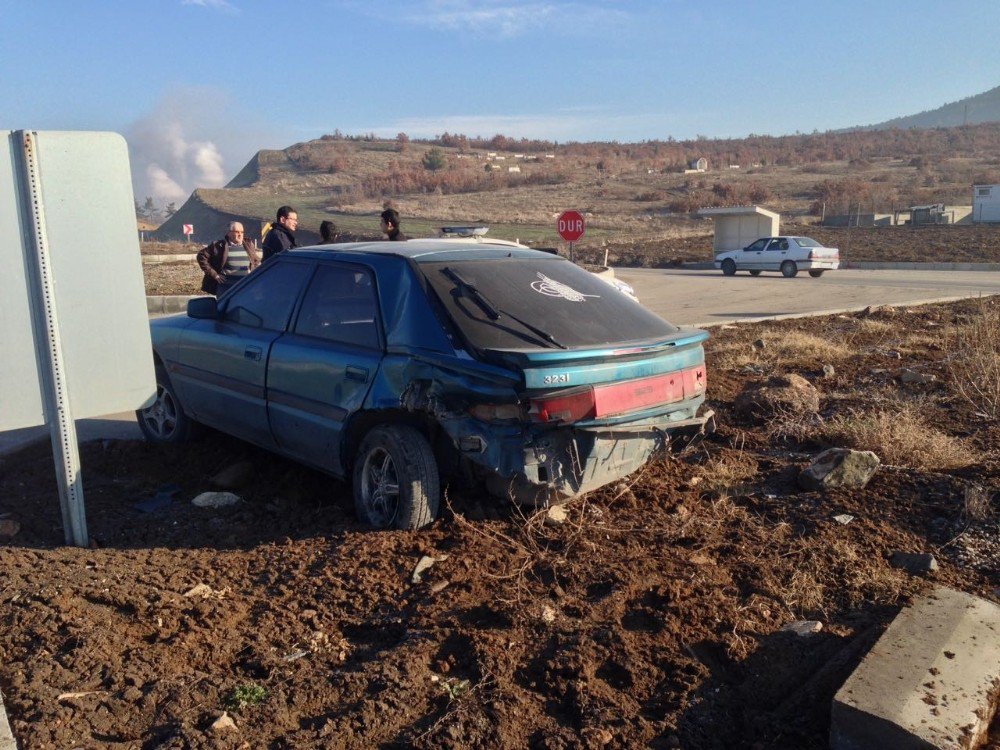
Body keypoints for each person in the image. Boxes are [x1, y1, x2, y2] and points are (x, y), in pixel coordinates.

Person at [197, 221, 260, 296]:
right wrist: (214, 275)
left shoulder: (248, 245)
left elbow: (256, 261)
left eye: (242, 232)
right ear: (228, 233)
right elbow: (201, 256)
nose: (240, 234)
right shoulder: (218, 246)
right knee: (224, 307)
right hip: (226, 288)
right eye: (237, 232)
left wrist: (252, 272)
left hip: (244, 287)